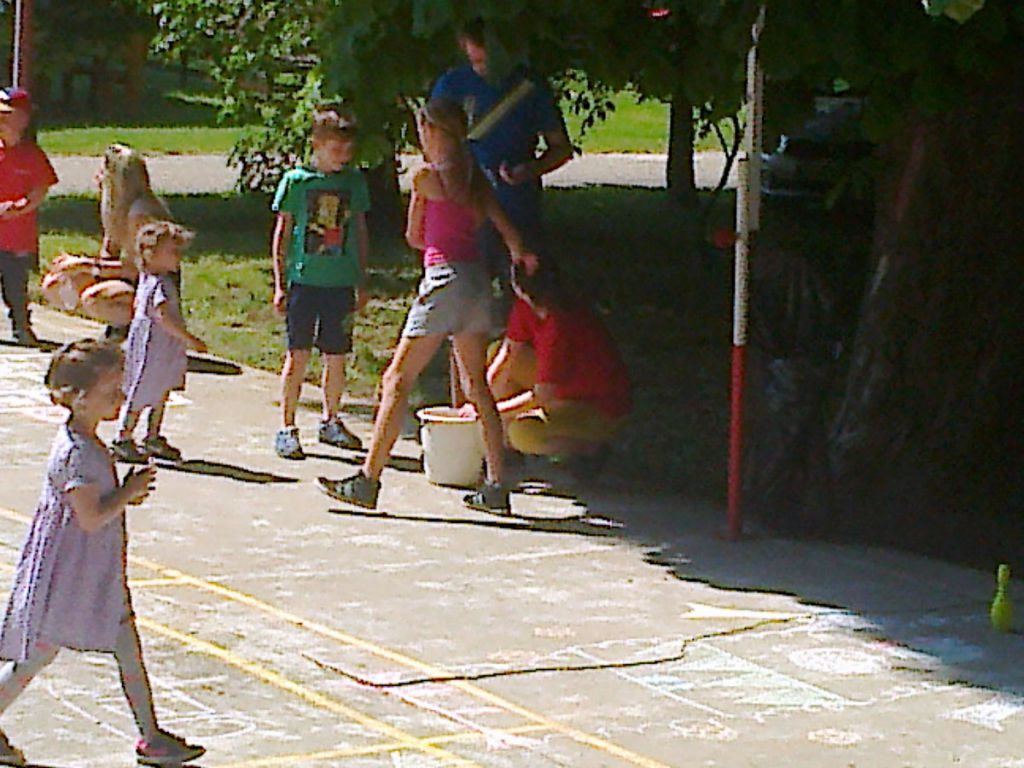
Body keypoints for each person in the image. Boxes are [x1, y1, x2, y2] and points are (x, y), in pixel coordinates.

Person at [317, 97, 533, 514]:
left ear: (431, 132)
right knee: (477, 385)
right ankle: (496, 484)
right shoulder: (476, 177)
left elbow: (415, 237)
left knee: (397, 379)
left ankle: (367, 479)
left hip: (444, 278)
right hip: (476, 280)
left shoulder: (426, 177)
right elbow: (512, 236)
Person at [0, 338, 205, 767]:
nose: (120, 397)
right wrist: (127, 493)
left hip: (89, 570)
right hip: (74, 574)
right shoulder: (77, 454)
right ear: (78, 397)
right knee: (39, 653)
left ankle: (151, 736)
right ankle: (150, 737)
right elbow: (90, 517)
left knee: (114, 644)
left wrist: (124, 494)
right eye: (111, 391)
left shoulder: (86, 442)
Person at [431, 18, 572, 295]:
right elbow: (433, 143)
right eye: (475, 60)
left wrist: (530, 169)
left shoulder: (529, 86)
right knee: (468, 293)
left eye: (488, 61)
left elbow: (561, 147)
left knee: (525, 288)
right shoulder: (451, 85)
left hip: (517, 206)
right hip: (467, 208)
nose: (482, 68)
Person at [270, 105, 369, 460]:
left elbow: (360, 231)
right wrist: (280, 282)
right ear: (317, 144)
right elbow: (282, 233)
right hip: (304, 282)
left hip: (339, 283)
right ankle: (287, 426)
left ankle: (331, 419)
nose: (343, 156)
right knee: (298, 355)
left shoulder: (354, 183)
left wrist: (361, 279)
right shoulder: (296, 182)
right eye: (336, 148)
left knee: (336, 355)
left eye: (348, 149)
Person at [481, 259, 631, 461]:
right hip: (562, 389)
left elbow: (542, 396)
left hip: (598, 407)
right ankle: (499, 441)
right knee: (495, 352)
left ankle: (589, 449)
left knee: (522, 433)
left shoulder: (560, 324)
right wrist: (482, 402)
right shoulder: (527, 306)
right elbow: (507, 354)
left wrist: (491, 412)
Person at [41, 143, 171, 331]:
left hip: (151, 287)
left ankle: (132, 331)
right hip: (126, 278)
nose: (97, 176)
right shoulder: (116, 209)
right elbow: (109, 253)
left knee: (95, 298)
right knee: (56, 283)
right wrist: (74, 267)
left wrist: (87, 265)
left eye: (102, 172)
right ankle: (116, 327)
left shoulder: (141, 214)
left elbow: (137, 268)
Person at [112, 222, 206, 464]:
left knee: (162, 390)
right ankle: (123, 437)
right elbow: (163, 315)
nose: (178, 257)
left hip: (160, 347)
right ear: (150, 254)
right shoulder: (159, 284)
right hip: (153, 348)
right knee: (143, 390)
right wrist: (189, 339)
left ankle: (152, 436)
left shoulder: (149, 278)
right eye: (172, 252)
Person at [0, 87, 58, 346]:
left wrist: (21, 206)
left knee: (14, 284)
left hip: (16, 236)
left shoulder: (31, 154)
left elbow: (40, 189)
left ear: (22, 119)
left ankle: (21, 326)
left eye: (6, 115)